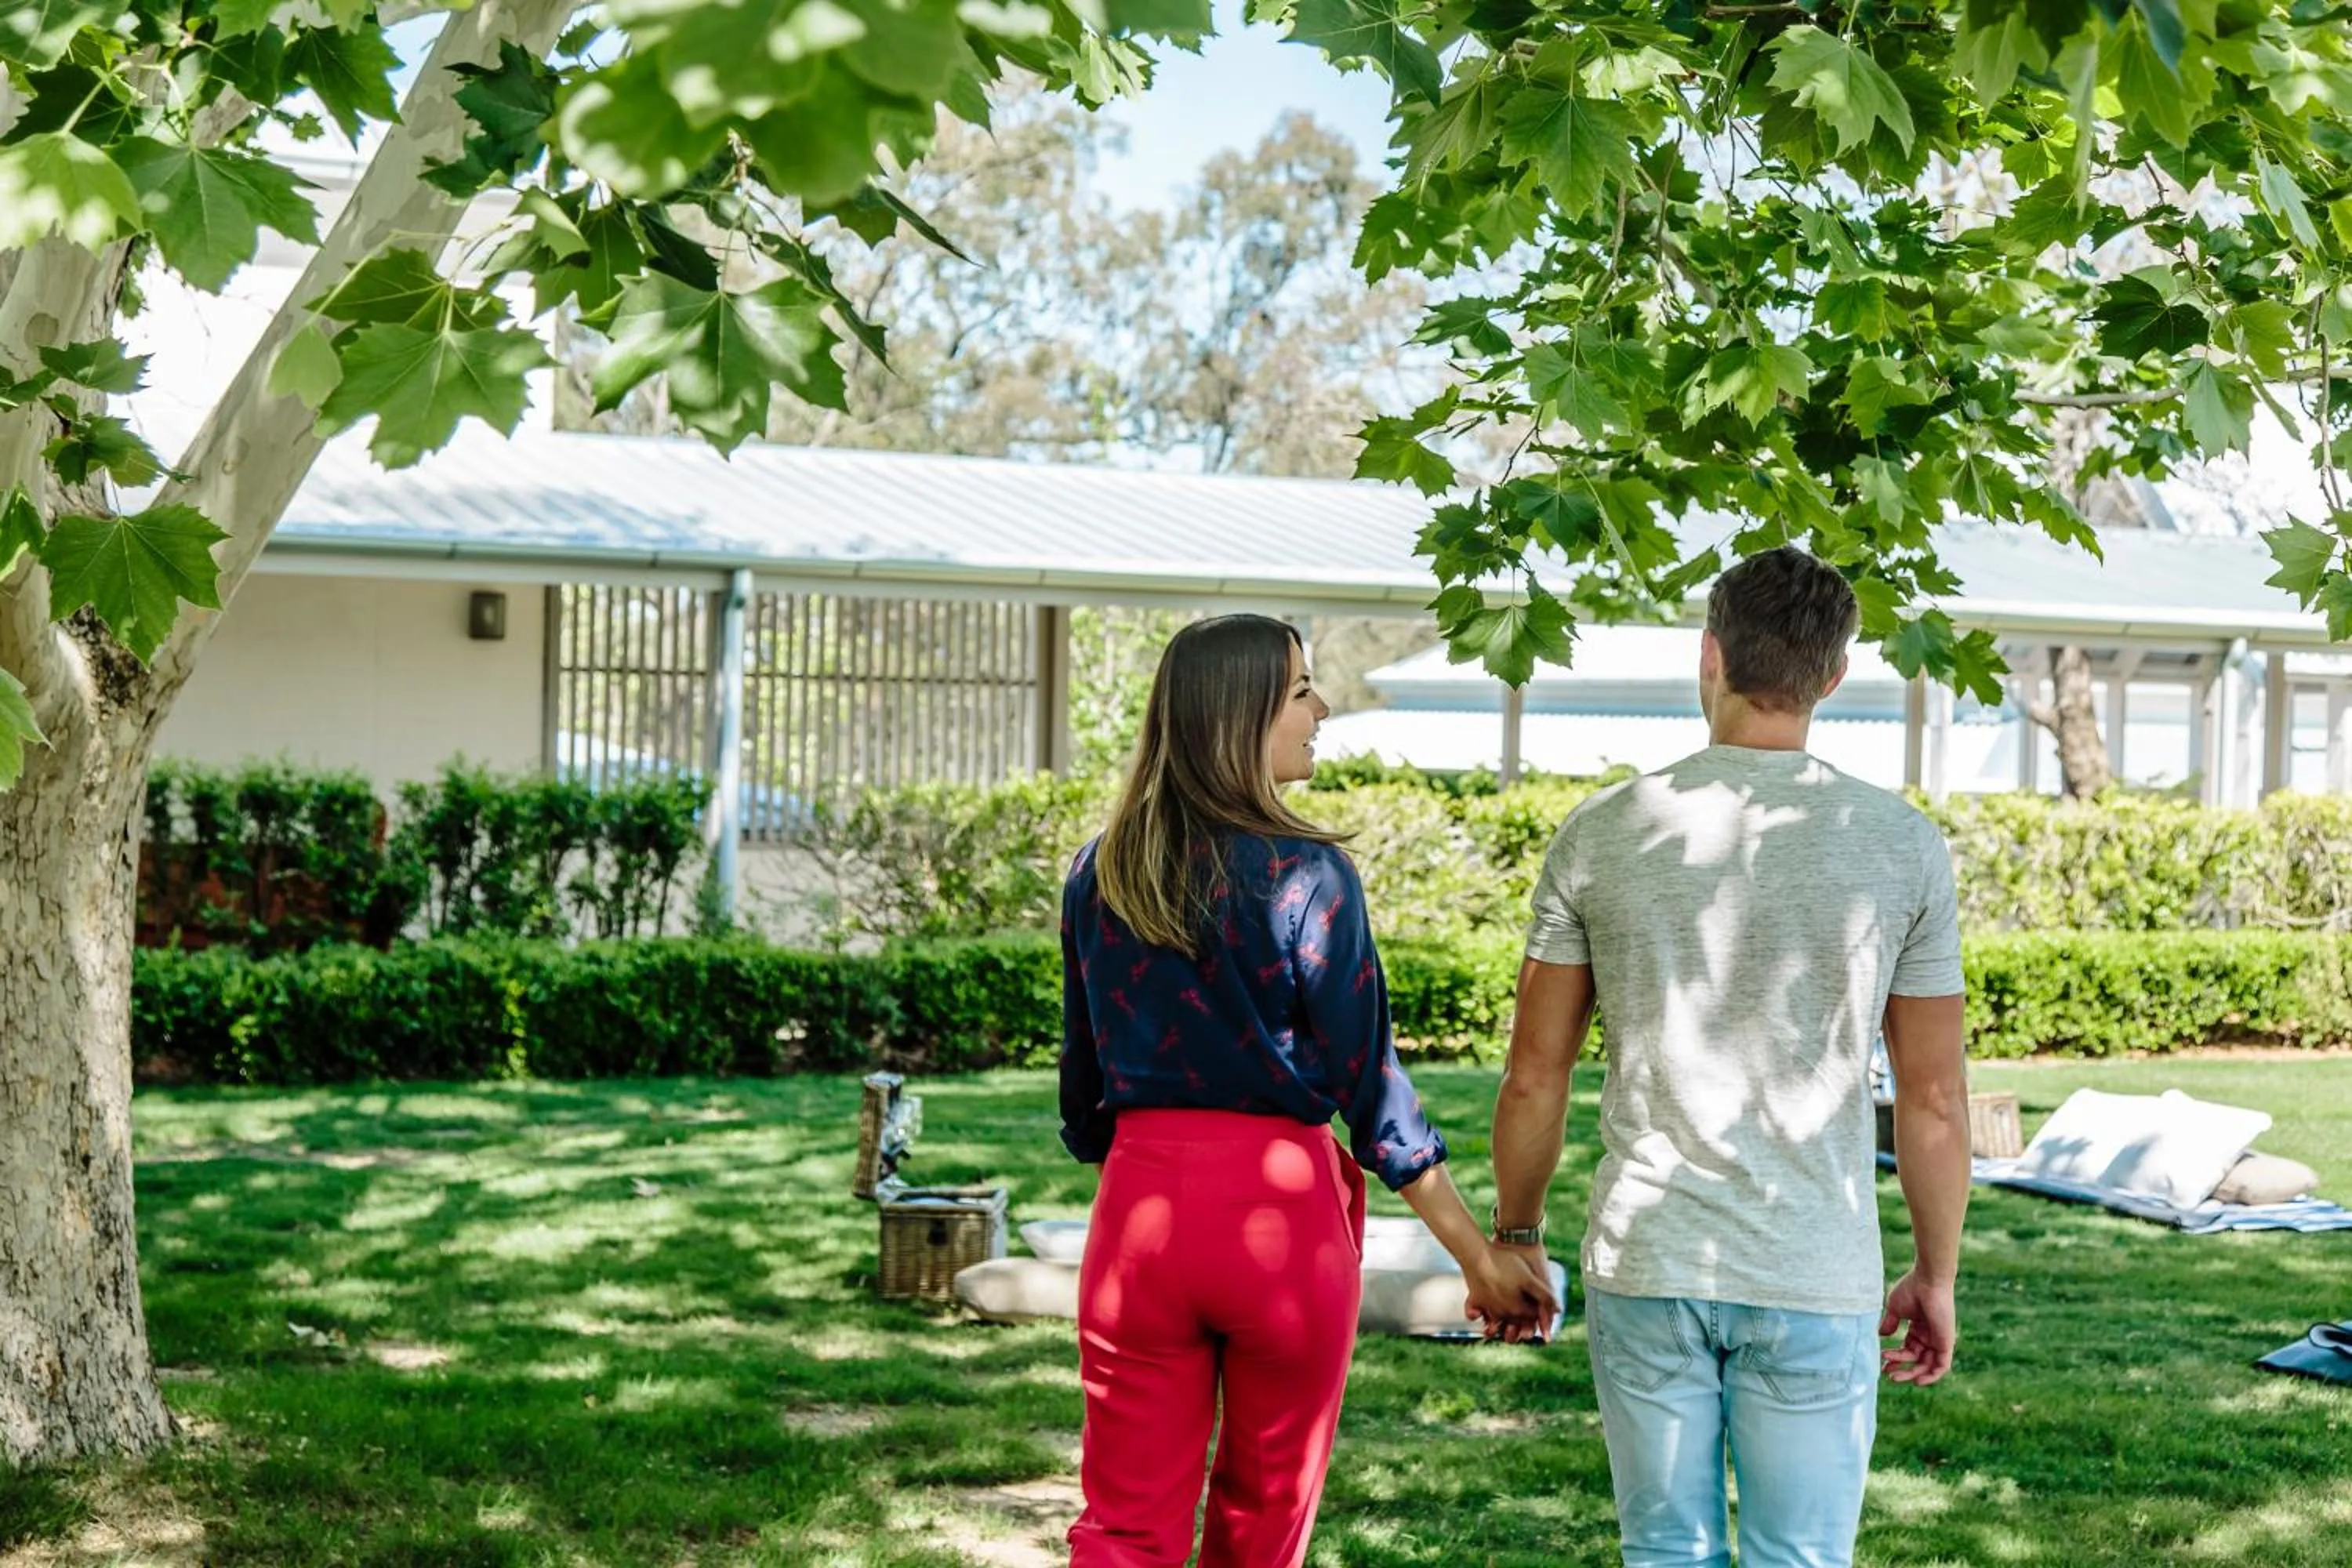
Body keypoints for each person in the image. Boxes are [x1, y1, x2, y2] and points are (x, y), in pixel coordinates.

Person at [1486, 547, 1973, 1567]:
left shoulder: (1602, 832)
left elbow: (1536, 1073)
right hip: (1814, 1265)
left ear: (1708, 657)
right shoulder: (1901, 845)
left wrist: (1519, 1233)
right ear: (1833, 677)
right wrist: (1936, 1273)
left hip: (1650, 1260)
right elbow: (1930, 1099)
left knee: (1665, 1551)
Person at [1058, 613, 1557, 1568]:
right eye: (1300, 690)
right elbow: (1372, 1088)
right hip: (1277, 1222)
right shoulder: (1310, 874)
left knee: (1124, 1527)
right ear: (1235, 715)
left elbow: (1084, 1097)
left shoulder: (1102, 868)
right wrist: (1479, 1256)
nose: (1321, 708)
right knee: (1260, 1523)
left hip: (1140, 1216)